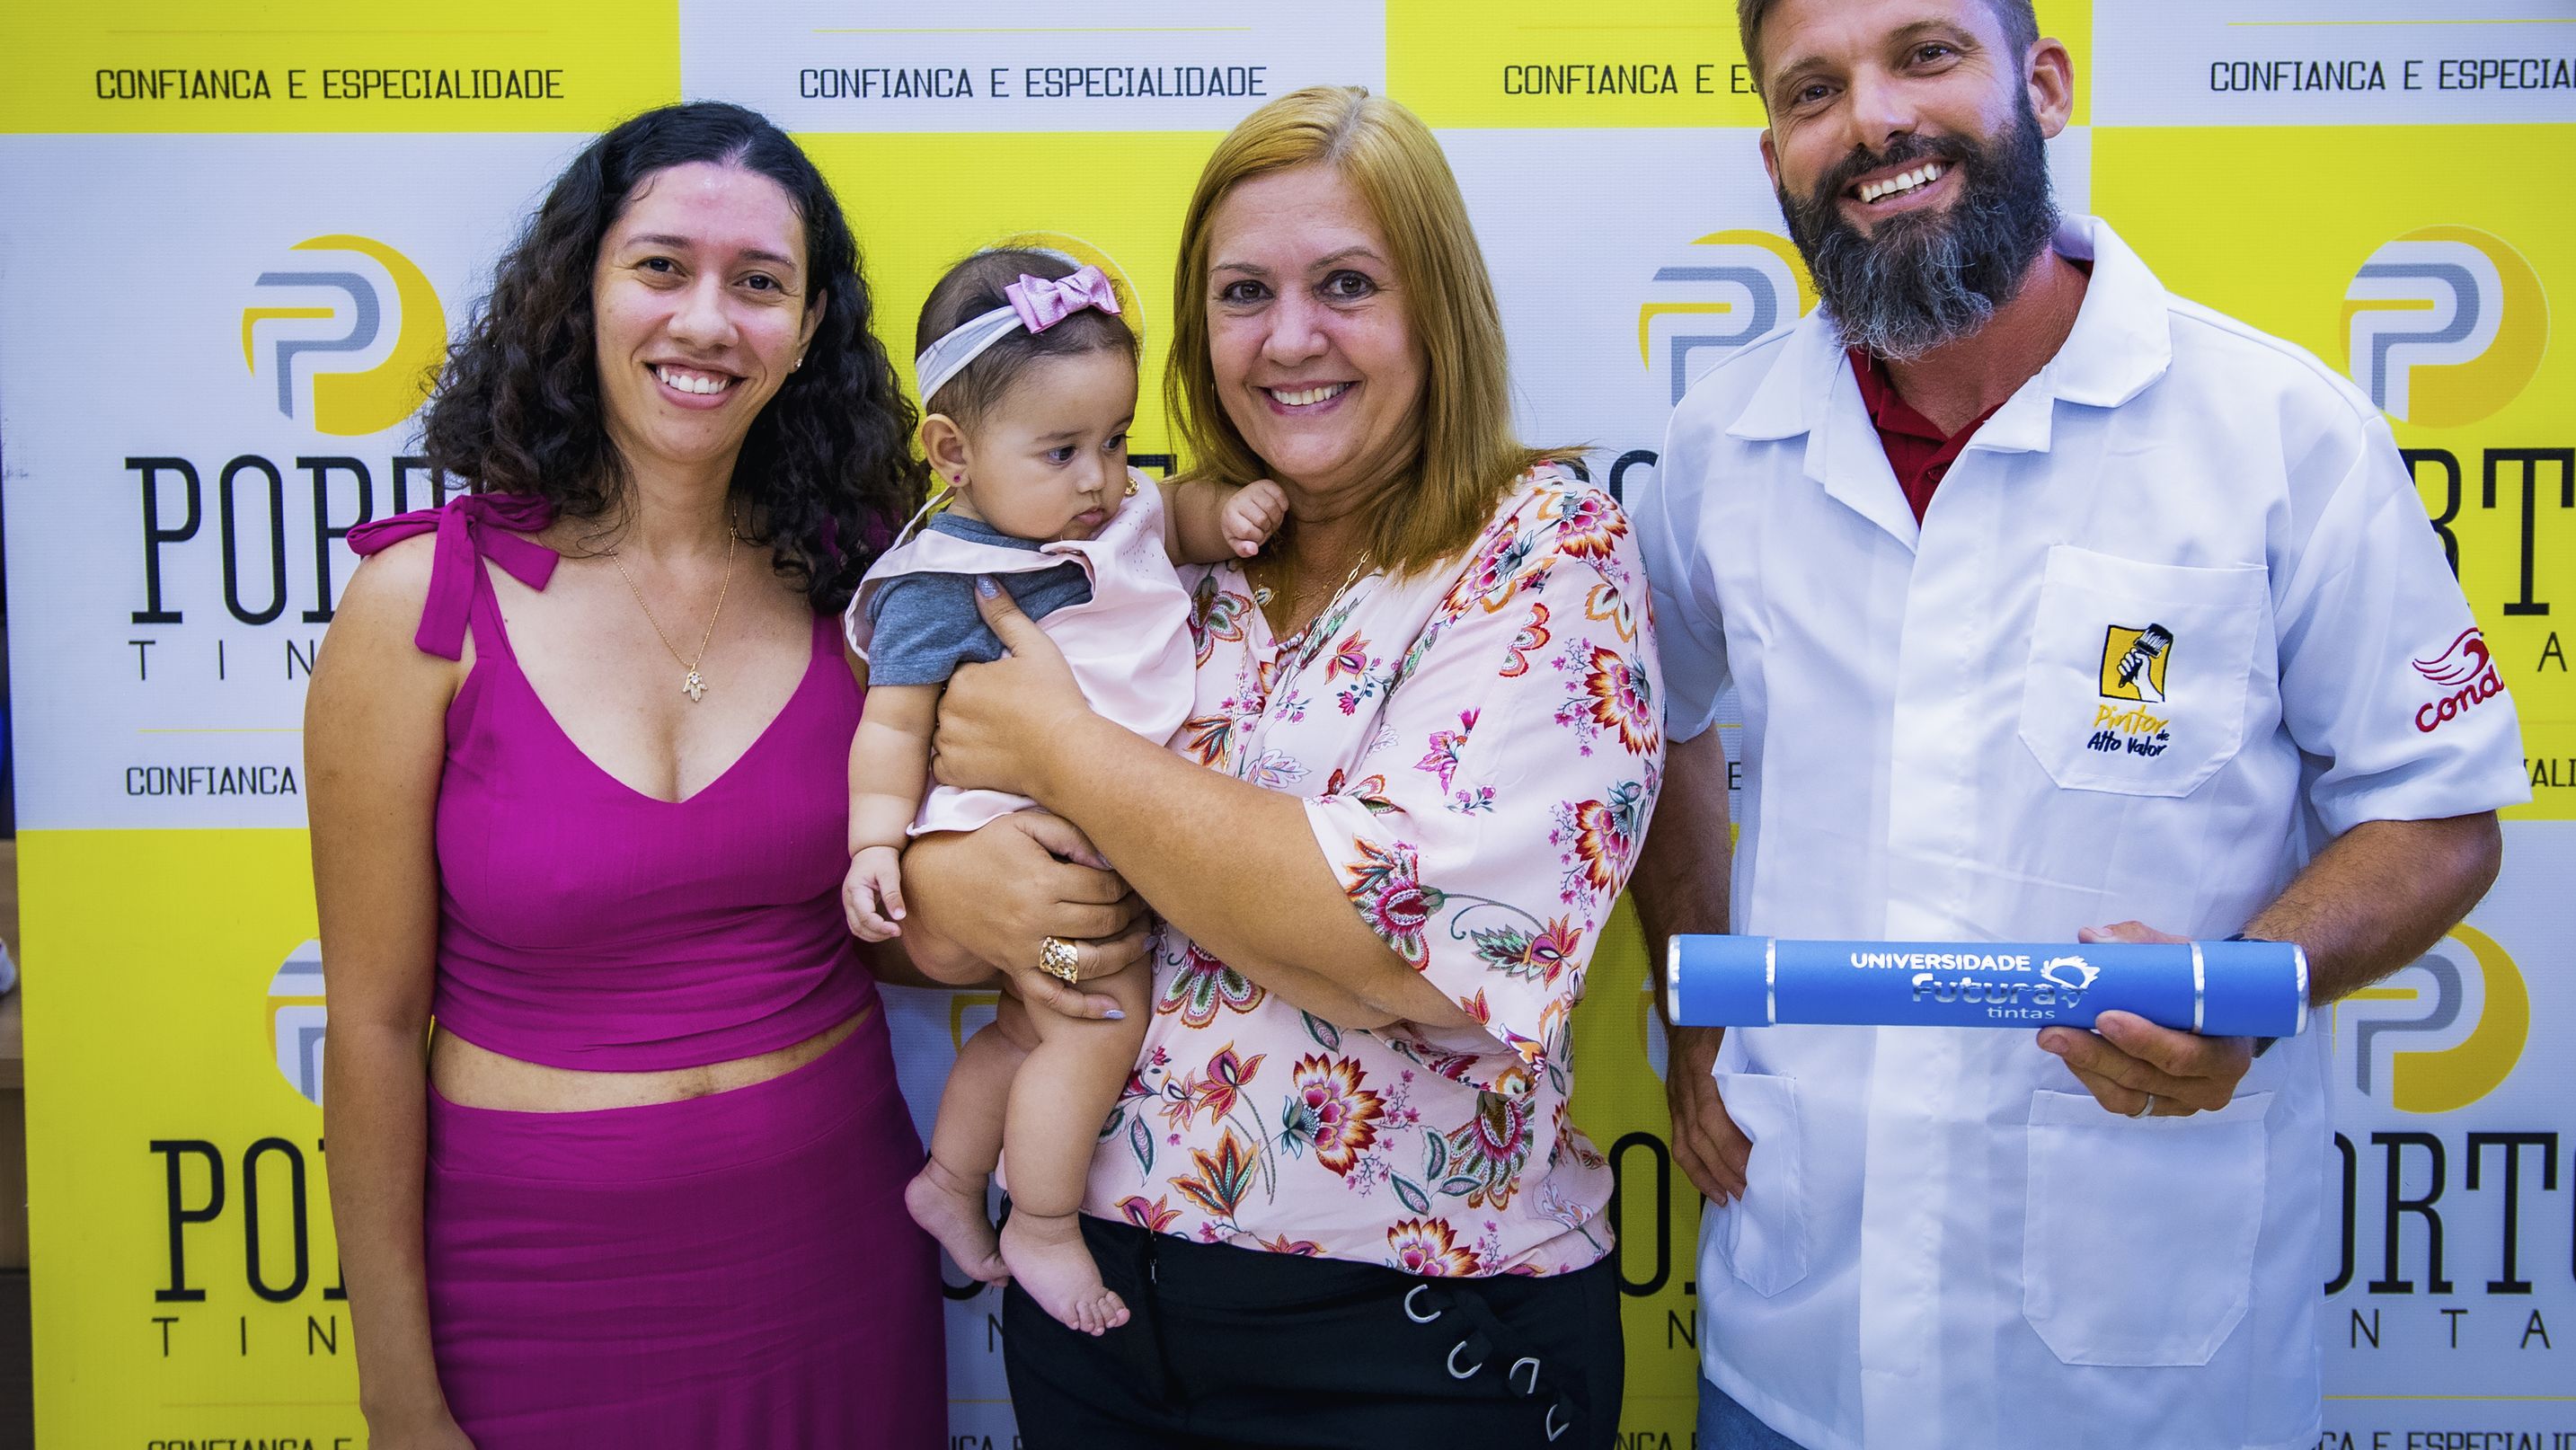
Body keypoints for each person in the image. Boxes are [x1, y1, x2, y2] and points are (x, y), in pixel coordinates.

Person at [1631, 0, 2529, 1450]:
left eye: (1925, 56)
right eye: (1814, 91)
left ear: (2042, 86)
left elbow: (2439, 813)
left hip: (2144, 1370)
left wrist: (2248, 990)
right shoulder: (1722, 448)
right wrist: (1696, 1007)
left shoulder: (2277, 434)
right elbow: (1657, 726)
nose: (1875, 121)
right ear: (1775, 158)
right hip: (1796, 1348)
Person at [895, 85, 1661, 1448]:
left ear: (1436, 309)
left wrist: (1066, 754)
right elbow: (942, 908)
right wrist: (963, 895)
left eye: (1347, 285)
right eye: (1245, 292)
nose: (1290, 337)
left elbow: (1396, 950)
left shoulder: (1543, 552)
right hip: (1092, 1307)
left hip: (1412, 1337)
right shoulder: (1134, 546)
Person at [307, 102, 965, 1447]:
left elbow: (911, 923)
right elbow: (371, 1026)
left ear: (810, 326)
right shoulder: (421, 603)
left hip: (837, 1266)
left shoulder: (864, 592)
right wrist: (395, 1394)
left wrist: (1040, 934)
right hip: (534, 1294)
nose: (707, 321)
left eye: (759, 283)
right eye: (662, 266)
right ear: (583, 288)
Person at [839, 243, 1286, 1334]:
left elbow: (1172, 517)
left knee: (1022, 1030)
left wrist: (1228, 513)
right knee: (1096, 1019)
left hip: (1105, 819)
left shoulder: (1108, 513)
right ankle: (1039, 1220)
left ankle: (949, 1178)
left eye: (1116, 439)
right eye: (1061, 450)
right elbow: (890, 725)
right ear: (952, 451)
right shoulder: (943, 583)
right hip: (1025, 844)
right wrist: (875, 844)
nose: (1101, 478)